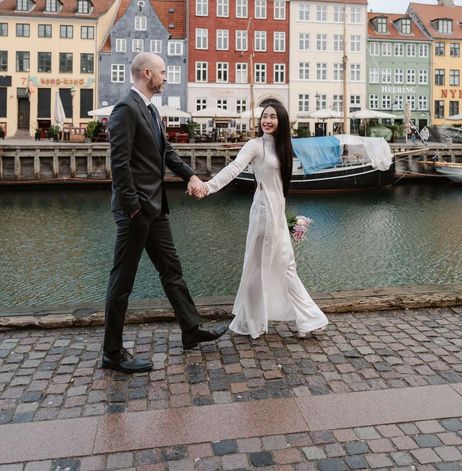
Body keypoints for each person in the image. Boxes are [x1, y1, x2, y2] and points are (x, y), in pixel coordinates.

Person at [102, 53, 227, 373]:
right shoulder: (125, 110)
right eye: (162, 72)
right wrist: (132, 209)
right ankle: (112, 353)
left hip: (156, 209)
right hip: (137, 212)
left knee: (172, 271)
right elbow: (119, 165)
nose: (165, 77)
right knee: (122, 282)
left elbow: (167, 154)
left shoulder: (152, 111)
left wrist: (192, 176)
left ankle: (190, 329)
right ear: (147, 74)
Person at [189, 101, 328, 340]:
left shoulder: (283, 148)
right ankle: (254, 320)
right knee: (259, 266)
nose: (267, 120)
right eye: (265, 116)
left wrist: (286, 219)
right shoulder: (255, 145)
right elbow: (234, 169)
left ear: (281, 120)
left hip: (277, 214)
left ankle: (304, 319)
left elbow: (280, 188)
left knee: (286, 267)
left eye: (273, 116)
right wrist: (207, 187)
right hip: (263, 213)